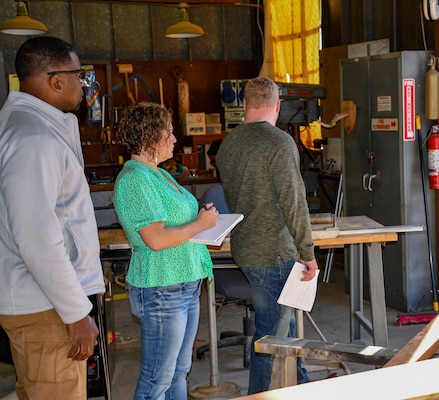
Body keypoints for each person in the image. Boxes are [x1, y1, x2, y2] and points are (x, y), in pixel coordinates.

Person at [0, 36, 106, 399]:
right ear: (56, 80)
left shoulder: (32, 126)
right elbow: (36, 237)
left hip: (45, 302)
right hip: (47, 308)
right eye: (79, 76)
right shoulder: (34, 137)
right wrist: (76, 312)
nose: (83, 84)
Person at [216, 76, 318, 394]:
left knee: (281, 327)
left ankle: (300, 387)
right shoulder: (279, 143)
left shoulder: (227, 146)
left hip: (246, 249)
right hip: (273, 253)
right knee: (270, 338)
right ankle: (261, 395)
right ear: (278, 106)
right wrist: (308, 251)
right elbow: (294, 202)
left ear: (244, 104)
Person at [112, 101, 218, 399]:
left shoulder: (158, 174)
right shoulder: (135, 179)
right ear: (149, 137)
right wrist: (199, 223)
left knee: (178, 372)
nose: (174, 139)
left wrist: (202, 219)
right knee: (157, 379)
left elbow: (178, 223)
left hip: (184, 284)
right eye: (169, 133)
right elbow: (156, 239)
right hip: (163, 288)